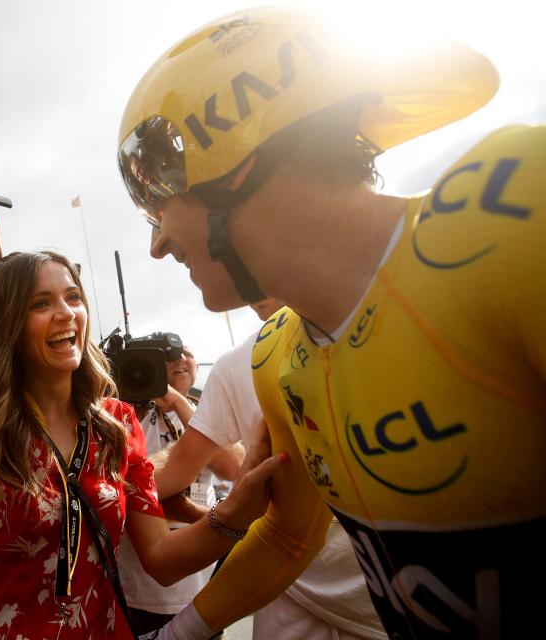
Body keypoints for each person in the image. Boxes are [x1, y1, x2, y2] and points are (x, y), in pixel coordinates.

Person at [117, 6, 544, 638]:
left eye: (154, 195)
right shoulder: (276, 359)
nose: (156, 245)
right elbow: (289, 538)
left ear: (236, 162)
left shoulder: (513, 212)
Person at [0, 251, 290, 640]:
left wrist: (238, 511)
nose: (66, 312)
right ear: (9, 324)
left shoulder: (116, 425)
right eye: (41, 303)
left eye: (74, 297)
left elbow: (162, 561)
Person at [156, 300, 386, 640]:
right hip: (286, 593)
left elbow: (234, 468)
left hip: (394, 603)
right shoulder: (237, 364)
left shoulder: (390, 316)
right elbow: (285, 531)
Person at [117, 342, 236, 636]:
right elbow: (120, 483)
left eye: (187, 353)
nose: (180, 359)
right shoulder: (123, 414)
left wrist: (179, 402)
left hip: (202, 589)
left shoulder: (205, 409)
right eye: (167, 356)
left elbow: (234, 466)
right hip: (140, 594)